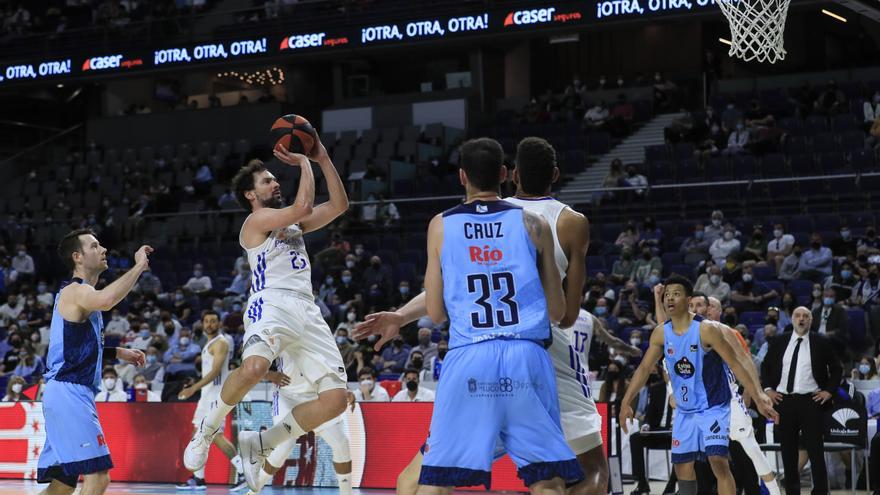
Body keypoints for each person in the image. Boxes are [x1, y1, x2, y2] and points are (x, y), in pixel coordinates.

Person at [356, 137, 643, 495]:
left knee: (421, 481)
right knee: (577, 475)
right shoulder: (550, 223)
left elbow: (439, 301)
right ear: (505, 173)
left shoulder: (448, 223)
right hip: (536, 354)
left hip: (472, 355)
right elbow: (563, 315)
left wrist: (400, 315)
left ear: (509, 175)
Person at [410, 137, 581, 493]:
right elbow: (557, 310)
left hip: (470, 356)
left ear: (461, 177)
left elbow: (436, 313)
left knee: (437, 477)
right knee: (546, 477)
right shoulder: (534, 224)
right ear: (505, 174)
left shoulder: (440, 225)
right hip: (526, 355)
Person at [183, 135, 351, 493]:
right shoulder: (255, 222)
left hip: (307, 306)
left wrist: (321, 158)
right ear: (250, 194)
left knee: (335, 401)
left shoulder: (292, 225)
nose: (276, 182)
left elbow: (339, 204)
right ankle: (207, 430)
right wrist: (304, 162)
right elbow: (304, 205)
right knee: (257, 367)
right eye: (267, 180)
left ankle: (261, 444)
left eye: (276, 178)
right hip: (271, 302)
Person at [619, 275, 777, 495]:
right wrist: (626, 401)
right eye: (667, 295)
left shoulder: (707, 329)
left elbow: (736, 363)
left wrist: (758, 395)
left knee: (718, 460)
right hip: (685, 410)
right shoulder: (661, 333)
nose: (670, 299)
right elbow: (644, 368)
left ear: (688, 299)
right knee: (683, 468)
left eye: (676, 294)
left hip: (713, 406)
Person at [37, 229, 149, 495]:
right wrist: (139, 267)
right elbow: (107, 300)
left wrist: (117, 352)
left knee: (62, 486)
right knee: (99, 478)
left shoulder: (79, 295)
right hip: (69, 392)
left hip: (62, 391)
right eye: (95, 246)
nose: (104, 250)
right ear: (78, 257)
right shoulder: (77, 291)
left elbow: (73, 346)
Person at [760, 307, 842, 495]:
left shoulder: (820, 342)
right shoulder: (780, 341)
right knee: (788, 451)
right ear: (793, 319)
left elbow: (836, 368)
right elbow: (765, 366)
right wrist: (768, 390)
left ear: (811, 320)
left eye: (806, 316)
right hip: (784, 401)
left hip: (811, 401)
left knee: (815, 450)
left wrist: (828, 392)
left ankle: (820, 491)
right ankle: (792, 492)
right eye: (798, 315)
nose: (801, 319)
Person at [253, 348, 356, 494]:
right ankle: (253, 489)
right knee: (285, 445)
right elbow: (252, 362)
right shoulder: (278, 330)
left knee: (341, 442)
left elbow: (331, 365)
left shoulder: (318, 330)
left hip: (316, 395)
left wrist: (344, 389)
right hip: (287, 395)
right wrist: (269, 374)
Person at [176, 310, 246, 491]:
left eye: (213, 321)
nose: (209, 324)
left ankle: (242, 470)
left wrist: (193, 388)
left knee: (215, 435)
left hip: (215, 395)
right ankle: (199, 479)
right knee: (198, 435)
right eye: (206, 321)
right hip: (207, 394)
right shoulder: (209, 344)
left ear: (219, 324)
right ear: (202, 323)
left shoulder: (221, 343)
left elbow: (215, 372)